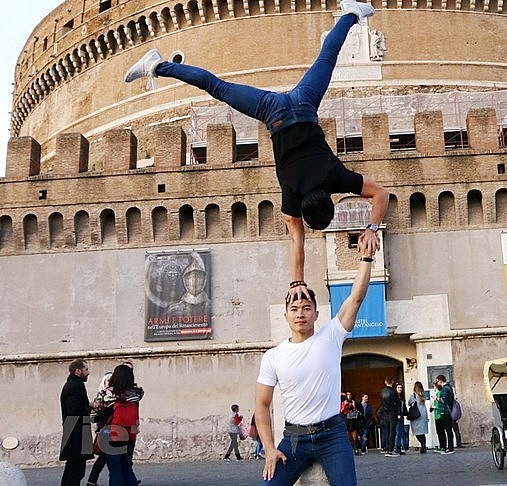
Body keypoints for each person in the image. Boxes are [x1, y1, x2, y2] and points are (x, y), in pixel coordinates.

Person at [124, 1, 388, 303]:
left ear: (329, 199)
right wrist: (296, 283)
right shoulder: (292, 192)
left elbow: (380, 194)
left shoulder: (337, 177)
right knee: (218, 88)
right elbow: (297, 242)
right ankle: (158, 65)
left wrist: (371, 228)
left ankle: (352, 13)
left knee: (327, 58)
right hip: (273, 113)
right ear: (304, 208)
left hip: (304, 104)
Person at [254, 239, 377, 485]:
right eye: (295, 308)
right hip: (294, 440)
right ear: (286, 315)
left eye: (307, 308)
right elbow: (261, 404)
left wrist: (366, 259)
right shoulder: (273, 356)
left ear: (316, 314)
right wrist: (268, 448)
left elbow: (355, 299)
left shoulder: (331, 336)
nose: (300, 313)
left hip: (332, 436)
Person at [105, 364, 144, 486]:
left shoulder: (109, 394)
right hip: (130, 433)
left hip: (113, 433)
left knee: (115, 470)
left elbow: (99, 409)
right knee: (127, 468)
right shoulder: (136, 393)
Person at [60, 359, 94, 486]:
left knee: (74, 468)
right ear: (78, 371)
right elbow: (74, 411)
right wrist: (89, 406)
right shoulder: (74, 386)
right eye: (86, 370)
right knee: (76, 470)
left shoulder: (74, 384)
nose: (88, 373)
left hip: (77, 431)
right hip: (76, 433)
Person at [87, 371, 114, 486]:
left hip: (112, 429)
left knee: (107, 458)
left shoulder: (115, 395)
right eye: (107, 380)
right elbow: (94, 417)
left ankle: (92, 481)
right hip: (105, 429)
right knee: (105, 457)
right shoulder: (101, 396)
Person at [432, 375, 455, 455]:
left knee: (448, 430)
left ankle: (450, 448)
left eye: (437, 381)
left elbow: (443, 400)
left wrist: (436, 398)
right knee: (447, 430)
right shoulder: (449, 387)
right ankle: (447, 447)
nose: (437, 383)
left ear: (440, 381)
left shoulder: (445, 389)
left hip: (445, 412)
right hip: (446, 411)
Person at [379, 376, 399, 457]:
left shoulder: (382, 391)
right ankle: (390, 449)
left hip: (384, 413)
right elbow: (397, 402)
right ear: (392, 382)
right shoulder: (393, 392)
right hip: (392, 413)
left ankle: (386, 448)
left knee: (386, 431)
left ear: (385, 382)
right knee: (392, 431)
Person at [407, 381, 429, 453]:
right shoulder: (423, 395)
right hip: (423, 414)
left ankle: (422, 444)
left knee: (417, 432)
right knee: (422, 432)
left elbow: (409, 402)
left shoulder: (413, 395)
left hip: (416, 415)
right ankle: (424, 445)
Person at [394, 383, 409, 455]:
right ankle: (397, 447)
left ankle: (400, 447)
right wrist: (397, 414)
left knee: (401, 433)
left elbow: (403, 407)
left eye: (401, 387)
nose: (400, 389)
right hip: (397, 417)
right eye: (398, 387)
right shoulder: (395, 397)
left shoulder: (401, 397)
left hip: (402, 416)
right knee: (398, 432)